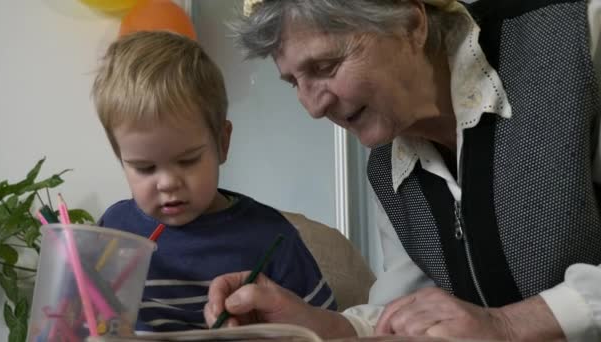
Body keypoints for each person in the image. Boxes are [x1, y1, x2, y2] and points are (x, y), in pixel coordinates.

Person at [204, 0, 601, 340]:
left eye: (325, 66)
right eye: (294, 82)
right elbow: (406, 312)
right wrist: (319, 329)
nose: (312, 107)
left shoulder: (579, 43)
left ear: (411, 23)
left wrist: (511, 326)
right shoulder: (388, 168)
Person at [91, 31, 336, 333]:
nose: (167, 183)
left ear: (222, 142)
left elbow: (324, 331)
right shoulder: (112, 231)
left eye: (188, 160)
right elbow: (82, 321)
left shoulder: (272, 236)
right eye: (144, 168)